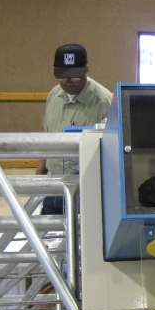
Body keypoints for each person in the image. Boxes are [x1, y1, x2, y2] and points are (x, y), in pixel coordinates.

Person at [37, 44, 112, 214]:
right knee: (48, 237)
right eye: (63, 76)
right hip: (53, 187)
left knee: (80, 239)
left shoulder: (104, 102)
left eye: (74, 76)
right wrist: (39, 179)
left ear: (86, 69)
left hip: (85, 192)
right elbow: (47, 138)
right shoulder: (53, 96)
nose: (68, 82)